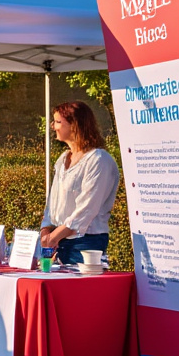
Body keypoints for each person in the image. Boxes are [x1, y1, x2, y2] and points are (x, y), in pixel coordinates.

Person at [41, 100, 119, 264]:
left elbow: (87, 209)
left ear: (74, 125)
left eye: (57, 122)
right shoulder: (63, 158)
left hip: (86, 243)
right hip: (59, 242)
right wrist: (45, 230)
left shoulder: (98, 160)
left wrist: (54, 236)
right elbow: (53, 202)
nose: (52, 126)